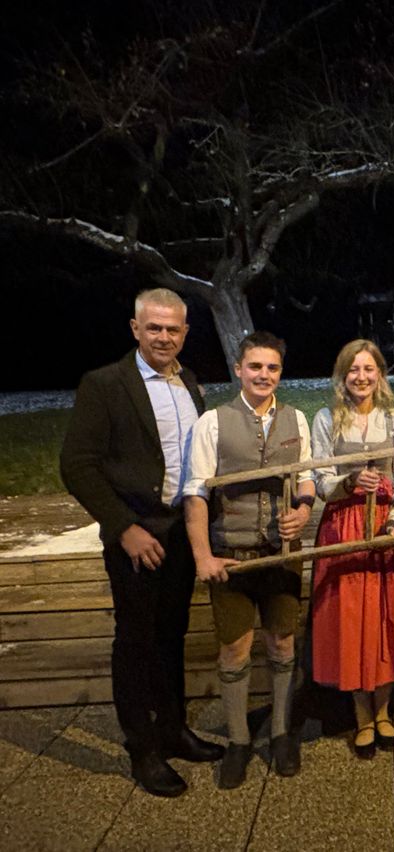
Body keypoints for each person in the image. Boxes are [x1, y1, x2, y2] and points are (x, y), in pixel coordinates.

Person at [60, 288, 224, 798]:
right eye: (154, 328)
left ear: (185, 333)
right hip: (136, 533)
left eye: (173, 329)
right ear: (135, 329)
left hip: (179, 532)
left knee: (171, 634)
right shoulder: (105, 384)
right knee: (135, 642)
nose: (164, 337)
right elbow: (77, 465)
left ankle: (172, 728)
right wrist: (122, 527)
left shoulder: (188, 383)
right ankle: (143, 748)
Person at [183, 331, 315, 789]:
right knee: (234, 647)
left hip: (281, 555)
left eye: (272, 368)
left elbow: (306, 478)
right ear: (239, 369)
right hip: (231, 555)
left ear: (280, 372)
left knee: (282, 642)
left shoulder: (297, 419)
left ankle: (280, 733)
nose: (264, 375)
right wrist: (203, 555)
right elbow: (196, 493)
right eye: (255, 366)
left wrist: (302, 510)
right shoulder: (212, 423)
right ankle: (239, 740)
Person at [311, 340, 394, 758]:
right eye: (352, 370)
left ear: (380, 374)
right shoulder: (327, 418)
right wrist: (345, 484)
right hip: (344, 524)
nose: (361, 377)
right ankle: (361, 714)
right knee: (353, 616)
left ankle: (384, 711)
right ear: (342, 376)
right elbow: (322, 478)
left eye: (368, 369)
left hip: (386, 522)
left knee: (387, 616)